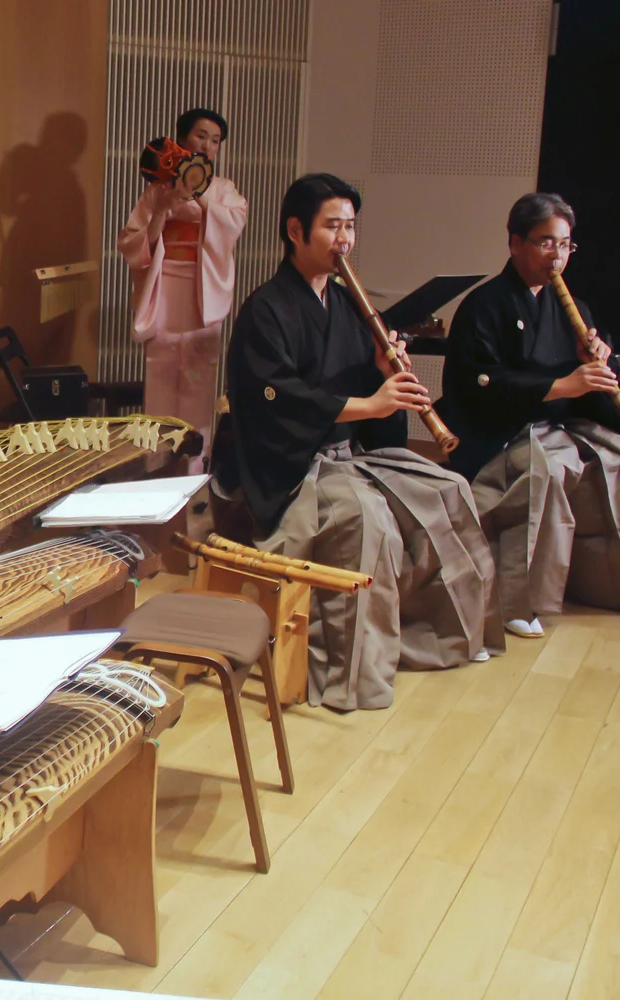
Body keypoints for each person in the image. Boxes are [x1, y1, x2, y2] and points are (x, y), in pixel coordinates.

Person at [219, 174, 499, 711]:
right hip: (291, 465)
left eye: (350, 227)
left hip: (348, 454)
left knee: (446, 490)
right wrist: (373, 403)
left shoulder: (346, 304)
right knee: (365, 518)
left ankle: (426, 638)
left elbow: (365, 403)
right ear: (295, 230)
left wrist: (378, 374)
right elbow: (283, 402)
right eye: (332, 226)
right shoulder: (266, 310)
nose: (344, 239)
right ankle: (348, 674)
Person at [438, 193, 620, 636]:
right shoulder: (484, 305)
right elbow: (478, 383)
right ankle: (519, 603)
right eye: (546, 243)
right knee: (547, 471)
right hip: (499, 430)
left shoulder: (573, 308)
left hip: (559, 424)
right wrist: (561, 384)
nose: (557, 256)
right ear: (515, 243)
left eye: (565, 245)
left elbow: (587, 383)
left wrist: (602, 361)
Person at [117, 107, 249, 474]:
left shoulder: (225, 190)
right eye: (201, 136)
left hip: (202, 290)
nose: (208, 145)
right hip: (164, 284)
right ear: (181, 140)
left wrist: (199, 193)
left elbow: (232, 224)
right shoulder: (157, 189)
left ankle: (194, 463)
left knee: (199, 372)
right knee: (160, 370)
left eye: (215, 140)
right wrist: (162, 208)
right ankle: (156, 461)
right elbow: (132, 244)